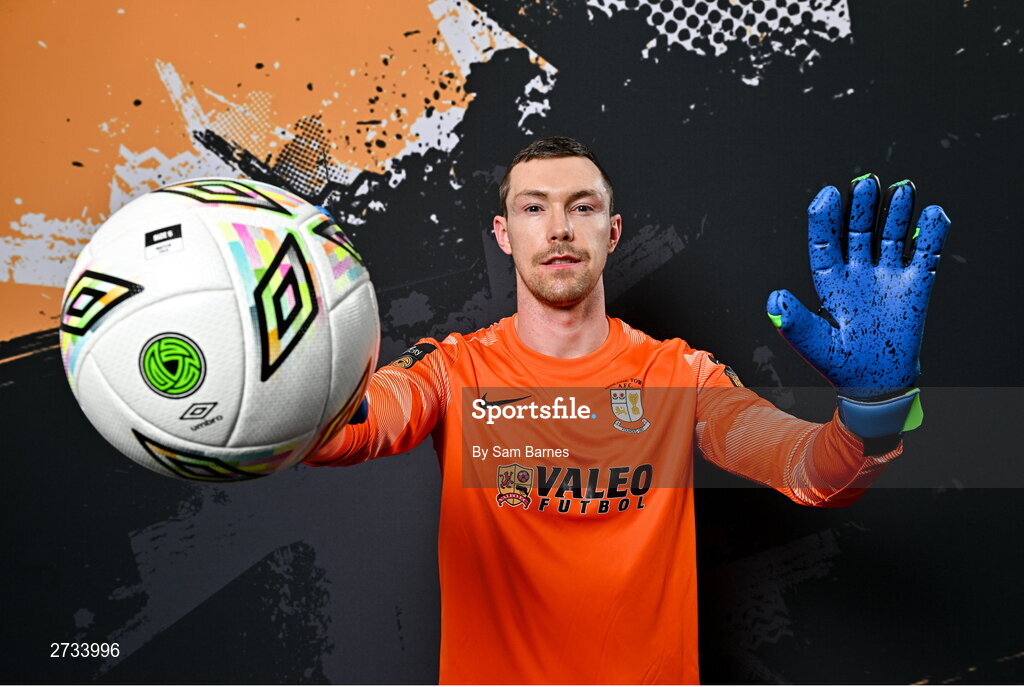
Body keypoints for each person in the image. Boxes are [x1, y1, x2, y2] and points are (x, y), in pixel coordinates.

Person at [305, 137, 950, 684]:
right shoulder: (454, 370)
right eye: (534, 208)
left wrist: (875, 406)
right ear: (504, 235)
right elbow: (356, 426)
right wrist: (280, 388)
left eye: (581, 207)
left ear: (612, 231)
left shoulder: (677, 375)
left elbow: (808, 471)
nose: (558, 228)